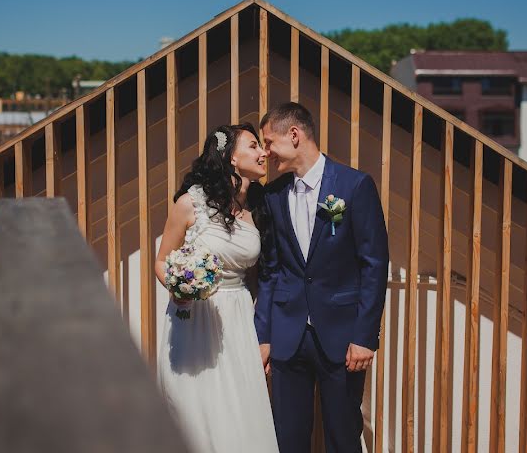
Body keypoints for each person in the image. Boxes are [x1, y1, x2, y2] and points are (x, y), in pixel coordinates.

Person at [256, 102, 389, 453]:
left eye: (269, 143)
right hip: (288, 337)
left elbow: (374, 265)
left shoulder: (355, 185)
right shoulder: (273, 196)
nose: (266, 153)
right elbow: (270, 271)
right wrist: (264, 336)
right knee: (288, 438)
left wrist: (365, 336)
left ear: (295, 135)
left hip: (343, 338)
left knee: (343, 437)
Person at [155, 123, 279, 453]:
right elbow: (162, 260)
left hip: (238, 319)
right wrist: (179, 290)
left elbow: (264, 276)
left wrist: (264, 334)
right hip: (195, 317)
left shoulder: (259, 208)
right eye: (253, 146)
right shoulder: (190, 203)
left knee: (237, 414)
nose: (263, 152)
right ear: (232, 158)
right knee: (195, 412)